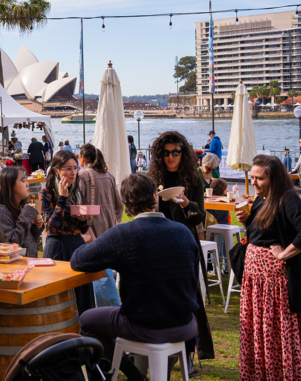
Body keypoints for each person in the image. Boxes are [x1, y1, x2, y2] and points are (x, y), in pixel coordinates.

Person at [71, 173, 200, 381]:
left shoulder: (123, 234)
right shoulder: (183, 231)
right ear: (154, 197)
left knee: (86, 319)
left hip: (144, 325)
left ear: (125, 202)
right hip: (186, 323)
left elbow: (78, 260)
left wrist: (85, 233)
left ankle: (133, 375)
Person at [235, 155, 301, 380]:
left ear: (274, 178)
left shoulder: (288, 198)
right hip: (256, 283)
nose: (254, 182)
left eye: (259, 178)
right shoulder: (263, 197)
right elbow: (266, 232)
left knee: (275, 333)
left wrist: (283, 254)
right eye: (252, 177)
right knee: (258, 332)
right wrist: (248, 223)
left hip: (274, 286)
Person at [147, 131, 213, 359]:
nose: (171, 157)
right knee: (159, 296)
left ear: (182, 153)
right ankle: (161, 348)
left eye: (175, 152)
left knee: (187, 299)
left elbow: (199, 217)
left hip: (184, 244)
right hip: (157, 242)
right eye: (166, 153)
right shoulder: (153, 178)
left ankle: (188, 354)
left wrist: (186, 204)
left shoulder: (193, 179)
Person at [41, 149, 95, 315]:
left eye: (75, 168)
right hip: (56, 248)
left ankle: (85, 335)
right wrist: (62, 199)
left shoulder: (77, 192)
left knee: (83, 298)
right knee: (56, 300)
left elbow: (85, 229)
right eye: (68, 168)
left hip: (77, 245)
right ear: (57, 170)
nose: (74, 172)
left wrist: (83, 219)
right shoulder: (47, 193)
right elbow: (50, 228)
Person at [77, 144, 123, 308]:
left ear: (82, 158)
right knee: (104, 270)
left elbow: (79, 205)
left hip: (91, 230)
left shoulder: (82, 175)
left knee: (99, 272)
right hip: (109, 230)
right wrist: (116, 222)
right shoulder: (108, 175)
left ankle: (111, 311)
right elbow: (120, 205)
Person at [0, 166, 43, 257]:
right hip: (8, 268)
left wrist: (35, 227)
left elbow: (28, 241)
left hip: (25, 265)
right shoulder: (1, 211)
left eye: (26, 180)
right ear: (10, 186)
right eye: (23, 181)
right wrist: (26, 217)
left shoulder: (21, 207)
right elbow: (12, 245)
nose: (27, 184)